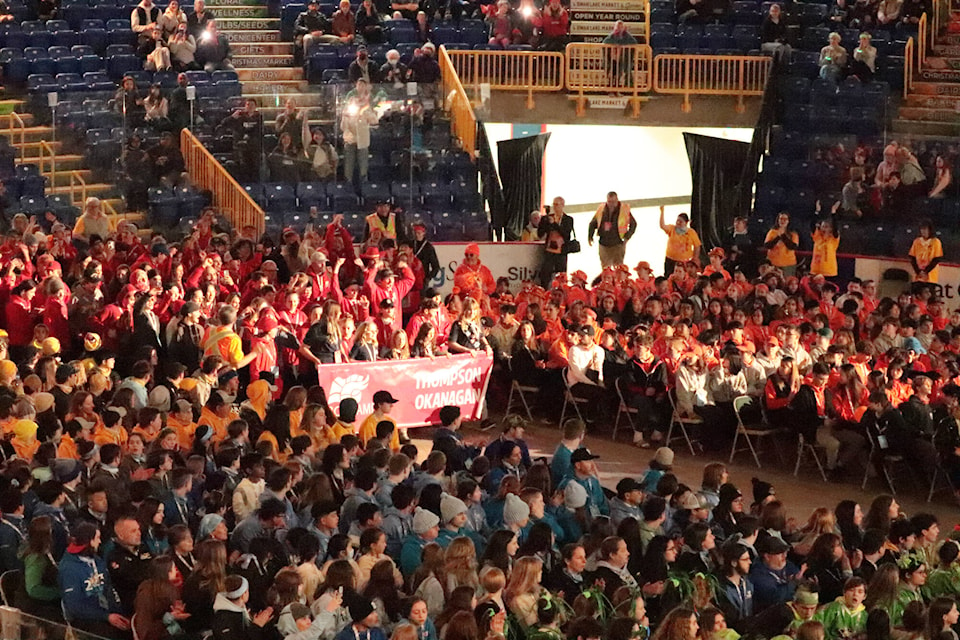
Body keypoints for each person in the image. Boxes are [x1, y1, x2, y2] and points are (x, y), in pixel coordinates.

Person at [588, 191, 637, 268]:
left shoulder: (624, 209)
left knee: (618, 268)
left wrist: (627, 237)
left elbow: (633, 224)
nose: (611, 204)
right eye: (609, 202)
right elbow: (593, 223)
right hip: (604, 244)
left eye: (613, 202)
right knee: (606, 269)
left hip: (618, 244)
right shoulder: (601, 208)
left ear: (617, 199)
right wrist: (590, 236)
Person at [537, 197, 575, 287]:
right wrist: (545, 222)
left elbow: (566, 235)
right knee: (545, 274)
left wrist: (555, 224)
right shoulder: (548, 218)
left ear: (562, 205)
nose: (555, 207)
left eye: (557, 205)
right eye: (553, 204)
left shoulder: (568, 219)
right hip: (549, 251)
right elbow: (540, 233)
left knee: (561, 275)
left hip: (561, 251)